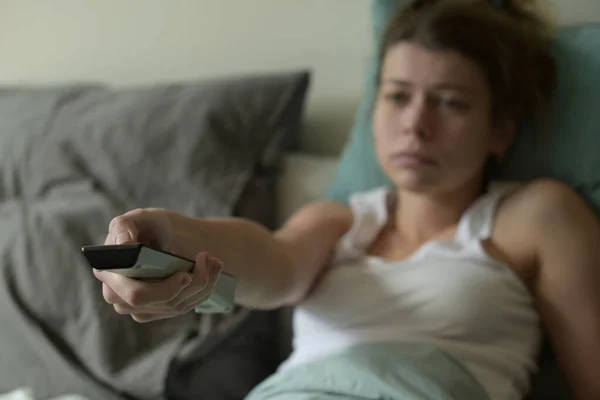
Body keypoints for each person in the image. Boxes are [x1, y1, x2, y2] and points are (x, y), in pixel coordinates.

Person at [93, 0, 600, 399]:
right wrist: (173, 238)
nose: (416, 126)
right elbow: (270, 265)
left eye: (451, 102)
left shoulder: (537, 217)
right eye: (398, 96)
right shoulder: (338, 222)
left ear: (501, 130)